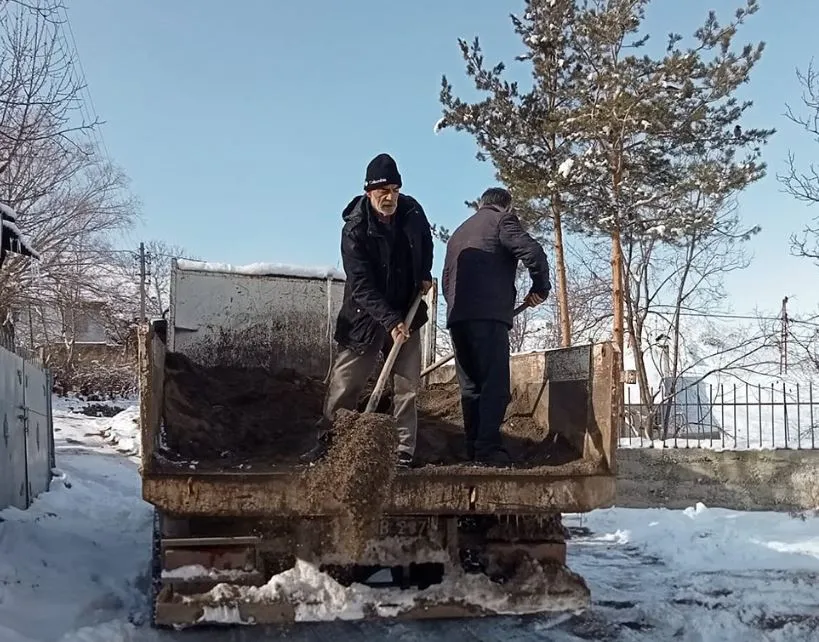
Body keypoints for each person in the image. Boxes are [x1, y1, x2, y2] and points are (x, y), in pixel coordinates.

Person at [301, 153, 433, 468]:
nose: (390, 198)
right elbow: (361, 285)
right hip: (364, 315)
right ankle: (330, 443)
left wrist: (424, 274)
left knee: (406, 385)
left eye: (395, 191)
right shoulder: (355, 228)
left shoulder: (412, 211)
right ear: (368, 192)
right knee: (346, 384)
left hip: (408, 308)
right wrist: (390, 321)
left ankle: (403, 450)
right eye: (382, 191)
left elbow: (426, 243)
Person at [442, 187, 551, 466]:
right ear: (507, 206)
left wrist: (460, 311)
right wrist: (541, 287)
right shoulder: (502, 220)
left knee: (471, 387)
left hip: (458, 318)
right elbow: (534, 252)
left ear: (481, 204)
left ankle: (474, 447)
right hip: (488, 317)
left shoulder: (457, 233)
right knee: (495, 385)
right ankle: (488, 449)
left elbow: (446, 279)